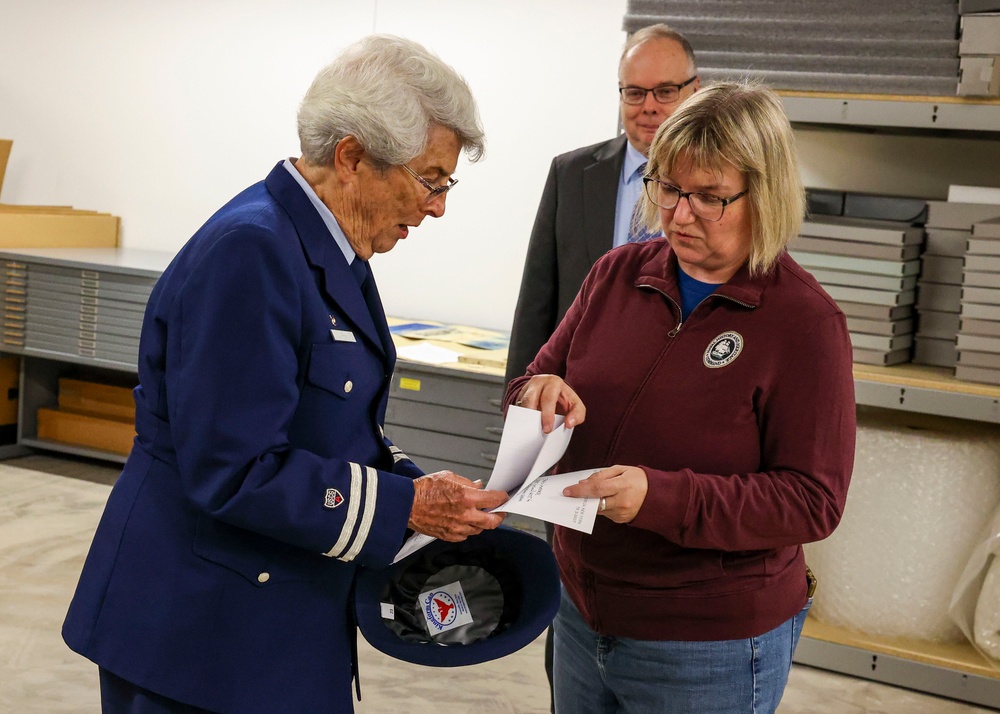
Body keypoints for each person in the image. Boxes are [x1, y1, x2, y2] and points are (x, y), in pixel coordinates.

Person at [62, 35, 508, 714]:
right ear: (352, 157)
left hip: (274, 618)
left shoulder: (328, 249)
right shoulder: (253, 252)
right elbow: (234, 467)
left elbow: (327, 424)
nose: (438, 205)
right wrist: (406, 507)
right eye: (430, 180)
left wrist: (421, 490)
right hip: (200, 635)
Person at [505, 82, 857, 714]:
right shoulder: (616, 274)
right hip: (582, 612)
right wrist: (537, 391)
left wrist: (657, 497)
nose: (679, 215)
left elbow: (813, 502)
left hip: (706, 644)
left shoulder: (805, 324)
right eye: (666, 187)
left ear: (766, 194)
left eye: (710, 197)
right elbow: (532, 381)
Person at [504, 23, 700, 385]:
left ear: (695, 90)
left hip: (673, 390)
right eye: (635, 93)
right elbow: (536, 304)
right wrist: (517, 400)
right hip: (573, 394)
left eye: (666, 92)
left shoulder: (715, 193)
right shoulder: (571, 174)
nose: (650, 108)